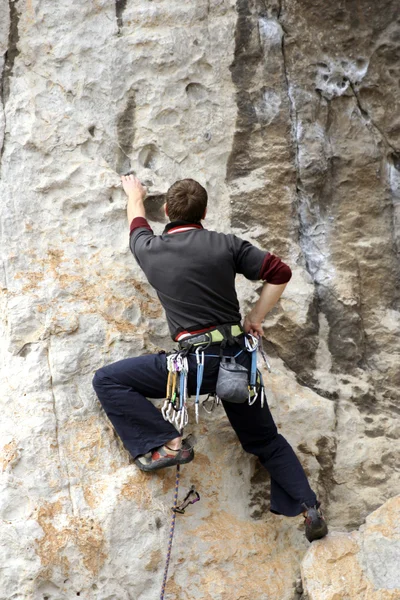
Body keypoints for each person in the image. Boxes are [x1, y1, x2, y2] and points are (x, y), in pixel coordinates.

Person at [93, 175, 328, 542]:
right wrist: (254, 319)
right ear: (204, 213)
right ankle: (308, 507)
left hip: (193, 368)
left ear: (167, 211)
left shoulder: (150, 248)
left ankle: (168, 445)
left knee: (107, 379)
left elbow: (136, 221)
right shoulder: (225, 244)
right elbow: (280, 272)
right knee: (265, 440)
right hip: (238, 363)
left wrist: (133, 195)